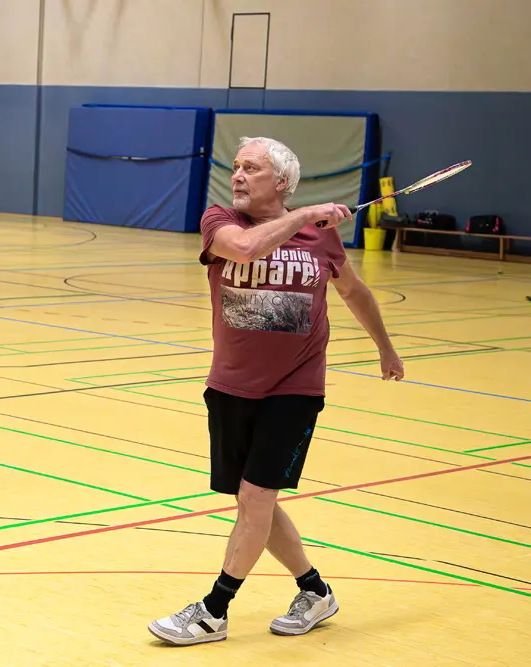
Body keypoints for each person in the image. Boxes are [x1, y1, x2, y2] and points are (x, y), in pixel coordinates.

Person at [148, 136, 404, 645]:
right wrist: (306, 213)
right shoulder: (219, 221)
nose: (238, 176)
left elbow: (354, 292)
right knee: (253, 502)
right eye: (236, 166)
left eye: (252, 168)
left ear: (282, 181)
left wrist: (385, 348)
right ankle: (315, 590)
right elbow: (246, 248)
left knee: (255, 495)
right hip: (230, 384)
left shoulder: (321, 240)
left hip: (295, 387)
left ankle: (213, 612)